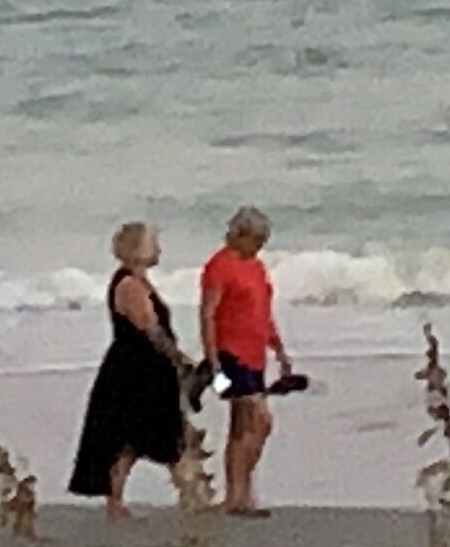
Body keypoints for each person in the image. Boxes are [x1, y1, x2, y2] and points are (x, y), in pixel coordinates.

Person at [65, 221, 200, 515]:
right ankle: (188, 493)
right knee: (149, 436)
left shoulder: (138, 281)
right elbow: (149, 328)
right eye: (154, 243)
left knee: (135, 439)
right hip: (136, 371)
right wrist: (179, 358)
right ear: (138, 249)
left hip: (143, 368)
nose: (159, 249)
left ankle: (126, 501)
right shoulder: (128, 284)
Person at [199, 204, 294, 516]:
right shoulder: (219, 266)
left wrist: (278, 348)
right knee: (258, 419)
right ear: (240, 234)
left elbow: (262, 312)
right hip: (230, 352)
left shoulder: (256, 267)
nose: (260, 246)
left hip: (255, 354)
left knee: (244, 427)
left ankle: (241, 493)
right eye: (256, 239)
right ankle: (237, 493)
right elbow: (208, 314)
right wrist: (212, 360)